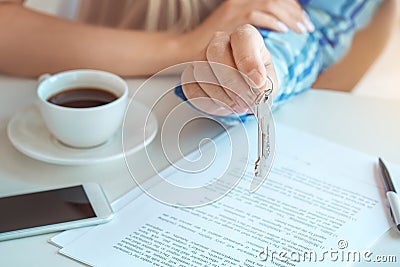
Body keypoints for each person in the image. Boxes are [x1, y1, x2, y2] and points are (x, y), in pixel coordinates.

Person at [0, 0, 382, 118]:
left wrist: (260, 73)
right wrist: (184, 47)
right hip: (115, 99)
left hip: (210, 122)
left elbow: (305, 33)